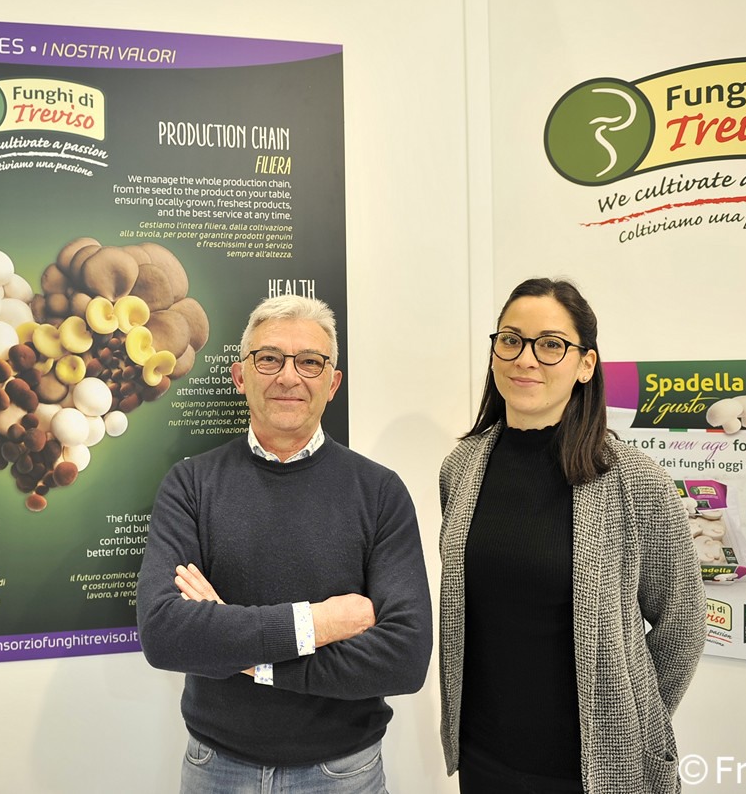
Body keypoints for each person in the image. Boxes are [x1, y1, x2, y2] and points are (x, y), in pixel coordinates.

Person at [138, 294, 432, 793]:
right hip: (217, 770)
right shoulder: (190, 485)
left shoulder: (380, 492)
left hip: (343, 775)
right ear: (240, 376)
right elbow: (165, 633)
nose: (289, 377)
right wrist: (320, 623)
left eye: (310, 362)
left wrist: (247, 657)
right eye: (269, 359)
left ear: (332, 383)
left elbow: (404, 658)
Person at [438, 278, 705, 794]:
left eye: (551, 345)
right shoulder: (461, 468)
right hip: (483, 758)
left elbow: (684, 625)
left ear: (586, 364)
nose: (526, 358)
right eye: (511, 340)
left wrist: (633, 724)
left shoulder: (634, 480)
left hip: (593, 772)